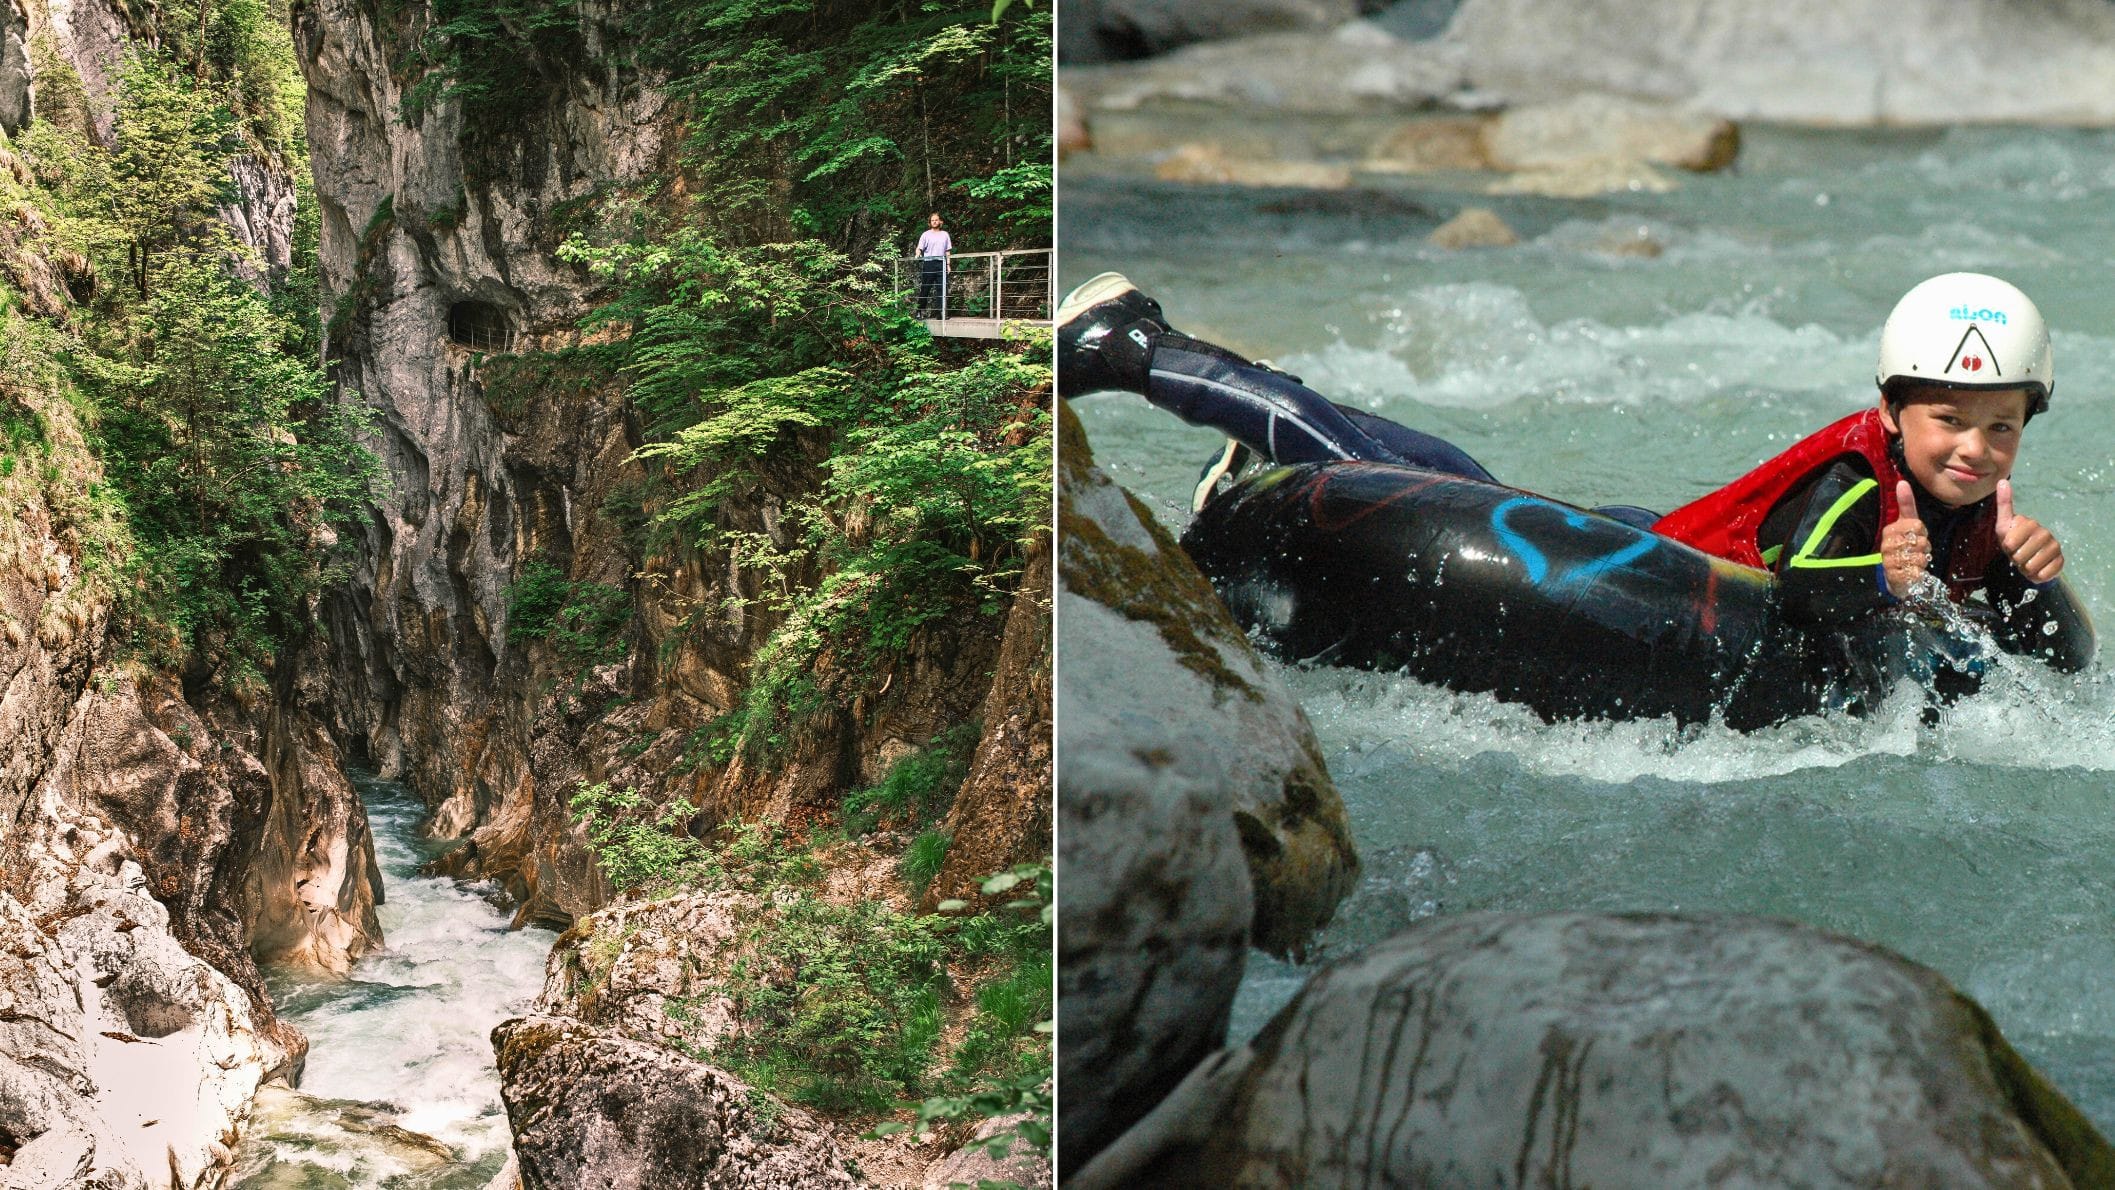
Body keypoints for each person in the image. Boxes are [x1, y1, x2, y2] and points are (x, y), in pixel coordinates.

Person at [1058, 269, 2077, 643]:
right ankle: (1137, 347)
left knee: (1444, 472)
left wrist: (2031, 581)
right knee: (1411, 479)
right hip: (1631, 563)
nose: (1976, 448)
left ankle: (1218, 428)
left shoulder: (1977, 498)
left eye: (2002, 427)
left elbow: (2049, 659)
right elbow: (1816, 601)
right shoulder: (1853, 485)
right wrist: (1895, 582)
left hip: (1646, 546)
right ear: (1893, 409)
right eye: (1950, 420)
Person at [914, 212, 952, 318]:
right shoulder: (926, 234)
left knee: (942, 288)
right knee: (925, 287)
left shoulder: (945, 234)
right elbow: (919, 247)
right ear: (930, 222)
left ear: (940, 221)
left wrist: (948, 264)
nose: (934, 222)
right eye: (932, 220)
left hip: (941, 263)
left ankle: (941, 313)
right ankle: (919, 311)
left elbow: (947, 251)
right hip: (929, 263)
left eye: (936, 220)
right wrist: (918, 253)